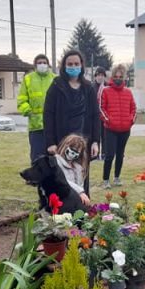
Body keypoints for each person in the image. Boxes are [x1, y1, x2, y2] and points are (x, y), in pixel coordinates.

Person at [43, 50, 100, 191]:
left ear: (81, 65)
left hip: (83, 143)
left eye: (76, 63)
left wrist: (95, 142)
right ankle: (61, 212)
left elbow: (95, 116)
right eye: (70, 64)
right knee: (62, 180)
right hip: (62, 142)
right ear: (64, 66)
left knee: (81, 180)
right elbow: (48, 115)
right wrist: (51, 142)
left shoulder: (88, 88)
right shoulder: (56, 86)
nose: (73, 66)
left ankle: (81, 210)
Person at [99, 64, 136, 188]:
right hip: (111, 129)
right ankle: (105, 180)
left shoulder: (128, 92)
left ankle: (117, 177)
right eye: (116, 76)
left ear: (124, 77)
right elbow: (101, 108)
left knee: (120, 154)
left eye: (120, 76)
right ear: (112, 77)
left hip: (125, 129)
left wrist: (131, 120)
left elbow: (134, 109)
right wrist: (108, 120)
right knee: (109, 155)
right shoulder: (106, 91)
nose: (118, 78)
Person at [18, 54, 56, 162]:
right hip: (36, 127)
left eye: (44, 62)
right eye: (39, 63)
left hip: (53, 127)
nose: (42, 65)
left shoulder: (55, 79)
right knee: (37, 158)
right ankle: (36, 179)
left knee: (53, 159)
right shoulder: (28, 79)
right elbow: (22, 99)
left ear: (48, 64)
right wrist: (27, 111)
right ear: (35, 65)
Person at [55, 133, 91, 207]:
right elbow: (62, 180)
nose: (72, 153)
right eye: (72, 149)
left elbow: (80, 184)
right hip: (60, 200)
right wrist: (80, 192)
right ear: (65, 146)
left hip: (74, 201)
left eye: (77, 152)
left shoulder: (78, 168)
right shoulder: (56, 162)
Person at [93, 66, 107, 159]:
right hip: (95, 116)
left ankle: (104, 153)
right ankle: (96, 154)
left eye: (102, 75)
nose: (100, 77)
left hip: (105, 115)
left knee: (105, 136)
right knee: (96, 136)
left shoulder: (107, 87)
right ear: (95, 76)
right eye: (98, 75)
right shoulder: (91, 87)